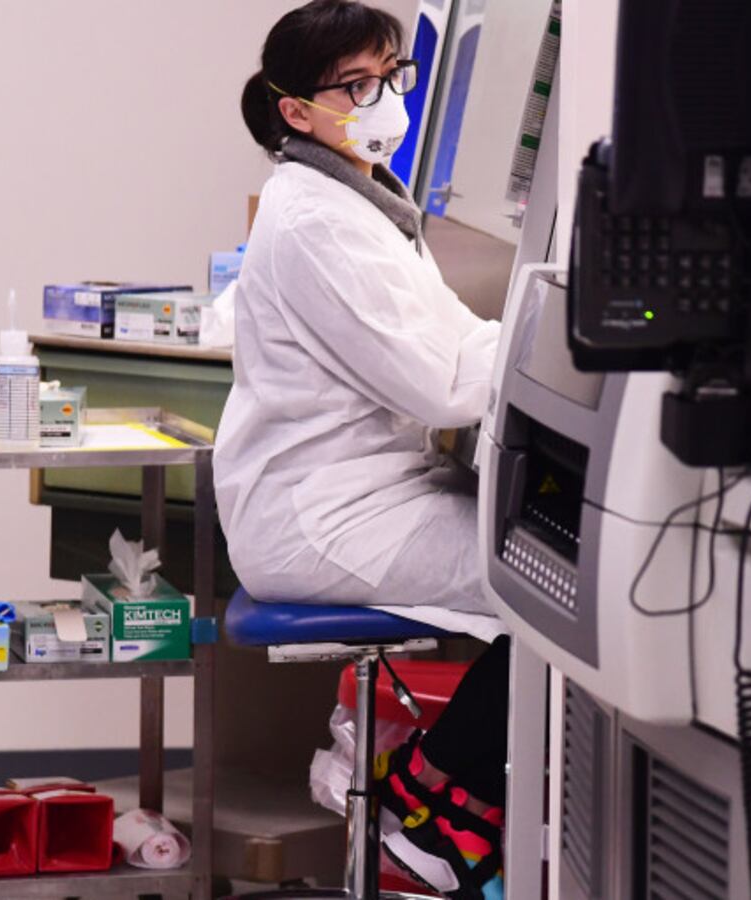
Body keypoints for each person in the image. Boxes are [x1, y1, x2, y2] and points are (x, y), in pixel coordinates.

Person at [215, 2, 511, 897]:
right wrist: (537, 339)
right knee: (551, 590)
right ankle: (436, 817)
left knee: (554, 567)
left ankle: (441, 793)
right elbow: (443, 384)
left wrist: (506, 345)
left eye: (393, 75)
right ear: (295, 110)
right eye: (358, 85)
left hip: (371, 490)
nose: (385, 99)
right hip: (325, 518)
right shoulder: (315, 222)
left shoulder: (364, 198)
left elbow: (453, 340)